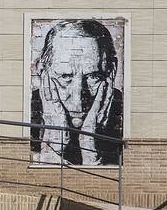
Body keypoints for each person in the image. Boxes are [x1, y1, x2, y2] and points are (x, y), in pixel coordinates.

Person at [29, 19, 124, 166]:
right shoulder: (24, 110)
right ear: (43, 72)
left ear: (111, 72)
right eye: (65, 77)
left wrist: (91, 151)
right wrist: (51, 149)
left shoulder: (127, 111)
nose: (78, 101)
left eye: (93, 77)